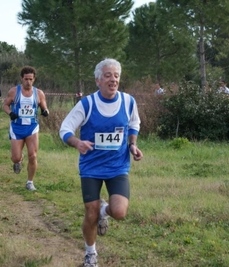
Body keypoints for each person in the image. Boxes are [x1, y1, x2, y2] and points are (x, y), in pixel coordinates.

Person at [59, 58, 143, 267]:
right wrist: (76, 142)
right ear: (98, 80)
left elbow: (134, 123)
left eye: (116, 76)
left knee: (120, 212)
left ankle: (104, 210)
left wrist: (132, 145)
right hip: (91, 168)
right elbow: (65, 129)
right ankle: (90, 254)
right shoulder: (87, 104)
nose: (113, 80)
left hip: (117, 167)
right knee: (90, 212)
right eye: (108, 76)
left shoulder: (128, 101)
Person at [2, 66, 49, 191]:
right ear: (22, 79)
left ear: (34, 79)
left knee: (33, 155)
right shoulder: (14, 91)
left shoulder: (39, 93)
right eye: (26, 79)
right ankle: (19, 160)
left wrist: (45, 111)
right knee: (15, 158)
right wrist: (10, 113)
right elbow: (5, 105)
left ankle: (30, 182)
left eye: (31, 79)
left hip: (32, 128)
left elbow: (44, 106)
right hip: (17, 127)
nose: (28, 82)